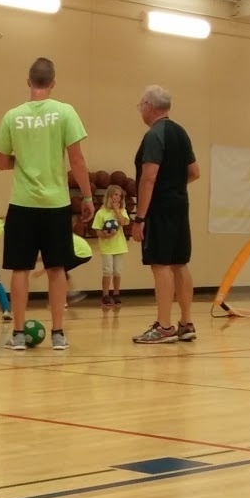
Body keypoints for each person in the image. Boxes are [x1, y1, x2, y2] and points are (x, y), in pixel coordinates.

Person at [0, 57, 95, 352]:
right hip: (56, 204)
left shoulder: (12, 116)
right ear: (52, 83)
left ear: (28, 82)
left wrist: (22, 159)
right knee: (56, 269)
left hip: (22, 204)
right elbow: (77, 160)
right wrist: (87, 197)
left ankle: (17, 335)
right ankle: (59, 334)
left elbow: (1, 162)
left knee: (21, 270)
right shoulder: (65, 112)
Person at [130, 85, 200, 344]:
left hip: (158, 210)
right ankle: (186, 323)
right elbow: (194, 172)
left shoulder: (154, 135)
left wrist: (140, 218)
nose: (140, 110)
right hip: (180, 206)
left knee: (160, 265)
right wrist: (173, 187)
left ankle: (164, 327)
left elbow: (148, 178)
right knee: (179, 263)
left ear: (149, 105)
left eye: (140, 105)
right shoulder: (181, 133)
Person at [92, 184, 130, 306]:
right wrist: (106, 235)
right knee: (107, 271)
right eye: (115, 195)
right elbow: (97, 231)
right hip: (107, 247)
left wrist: (116, 210)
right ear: (109, 196)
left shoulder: (122, 211)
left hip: (119, 245)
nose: (117, 198)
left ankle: (116, 293)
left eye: (120, 196)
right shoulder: (101, 213)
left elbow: (123, 223)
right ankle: (105, 294)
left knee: (117, 271)